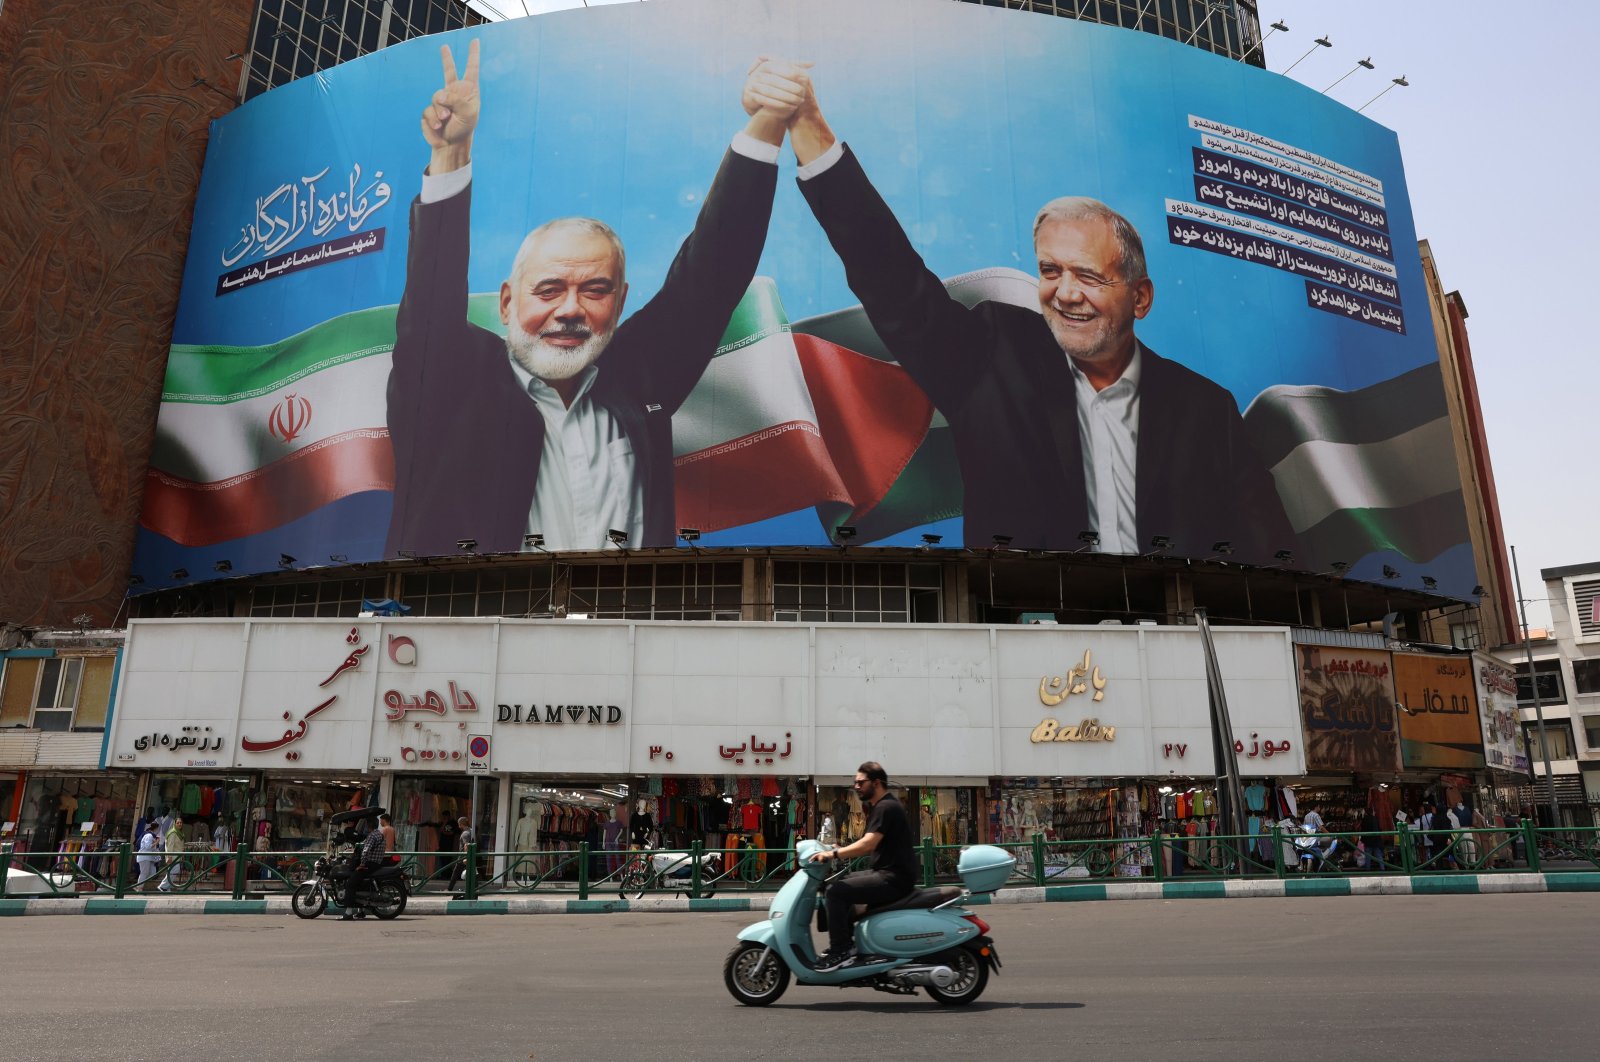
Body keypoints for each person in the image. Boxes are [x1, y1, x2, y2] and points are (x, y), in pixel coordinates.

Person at [767, 61, 1297, 561]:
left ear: (1141, 298)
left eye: (1088, 276)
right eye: (1050, 271)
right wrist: (812, 132)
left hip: (1179, 642)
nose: (1065, 293)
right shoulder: (994, 353)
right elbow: (893, 282)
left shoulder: (1207, 411)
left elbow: (1273, 556)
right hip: (1027, 645)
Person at [385, 42, 800, 556]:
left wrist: (768, 120)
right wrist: (450, 155)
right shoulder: (450, 379)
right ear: (508, 302)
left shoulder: (639, 375)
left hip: (628, 629)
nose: (571, 309)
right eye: (550, 289)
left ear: (620, 302)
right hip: (476, 627)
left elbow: (713, 273)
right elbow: (430, 299)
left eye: (594, 290)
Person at [808, 761, 917, 971]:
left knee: (836, 892)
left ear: (876, 783)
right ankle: (847, 944)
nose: (856, 787)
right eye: (855, 783)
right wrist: (835, 848)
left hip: (893, 878)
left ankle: (841, 950)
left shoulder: (886, 807)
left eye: (860, 782)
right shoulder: (882, 806)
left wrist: (834, 853)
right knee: (839, 883)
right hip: (888, 873)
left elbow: (868, 844)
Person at [342, 817, 387, 920]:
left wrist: (362, 864)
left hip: (369, 864)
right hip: (376, 864)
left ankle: (348, 912)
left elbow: (366, 851)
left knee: (350, 884)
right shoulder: (379, 834)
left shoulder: (372, 836)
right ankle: (360, 911)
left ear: (368, 826)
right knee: (360, 885)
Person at [158, 815, 184, 893]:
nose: (179, 824)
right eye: (178, 823)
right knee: (174, 870)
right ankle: (163, 886)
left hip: (177, 855)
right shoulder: (173, 833)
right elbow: (170, 845)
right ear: (174, 824)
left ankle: (166, 887)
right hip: (173, 856)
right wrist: (169, 856)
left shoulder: (179, 832)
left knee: (173, 871)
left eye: (181, 823)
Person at [448, 816, 475, 892]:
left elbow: (466, 845)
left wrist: (466, 857)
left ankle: (449, 889)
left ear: (461, 824)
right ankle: (474, 889)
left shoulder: (465, 833)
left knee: (456, 873)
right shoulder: (471, 831)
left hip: (463, 857)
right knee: (471, 873)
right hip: (470, 856)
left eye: (458, 824)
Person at [135, 820, 162, 892]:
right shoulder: (149, 835)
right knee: (144, 873)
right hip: (144, 857)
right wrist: (156, 842)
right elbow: (148, 846)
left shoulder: (152, 836)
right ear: (156, 829)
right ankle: (139, 888)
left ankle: (139, 886)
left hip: (149, 858)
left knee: (152, 873)